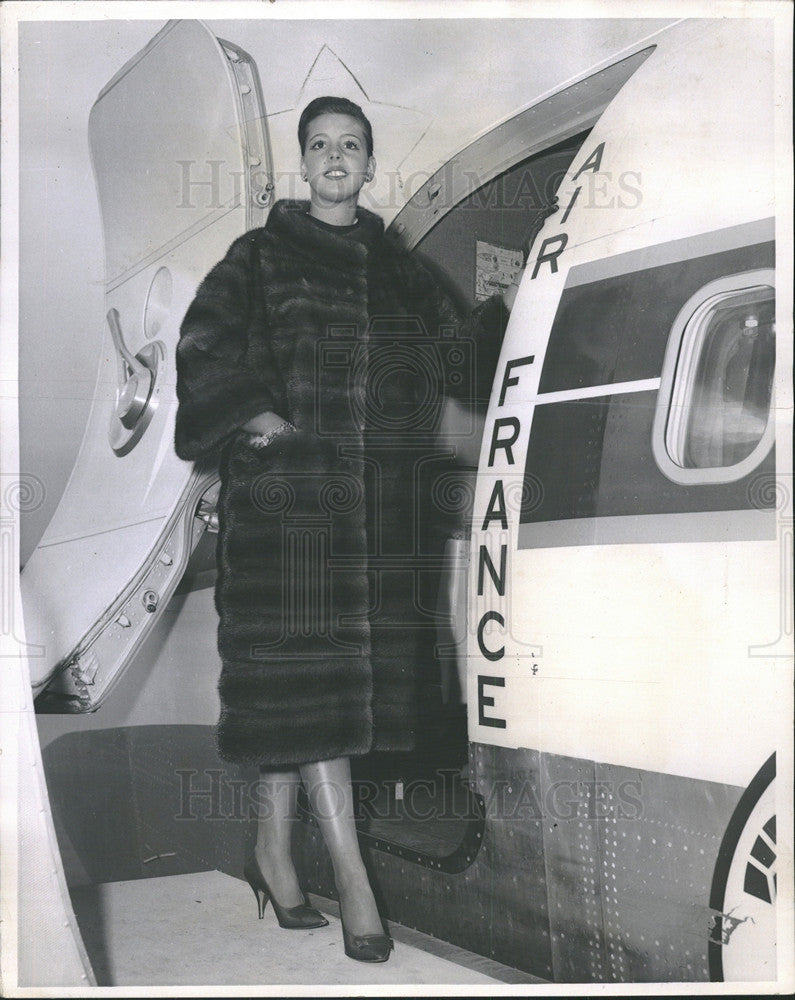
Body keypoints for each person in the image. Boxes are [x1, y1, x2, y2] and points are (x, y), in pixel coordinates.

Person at [174, 95, 551, 962]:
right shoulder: (258, 257)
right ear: (304, 164)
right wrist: (265, 424)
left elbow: (454, 356)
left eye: (350, 144)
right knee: (316, 690)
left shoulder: (399, 270)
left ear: (368, 163)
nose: (335, 157)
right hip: (285, 515)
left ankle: (272, 850)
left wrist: (513, 332)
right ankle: (353, 880)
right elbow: (204, 346)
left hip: (375, 519)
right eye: (319, 145)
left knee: (296, 699)